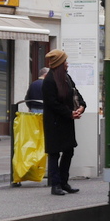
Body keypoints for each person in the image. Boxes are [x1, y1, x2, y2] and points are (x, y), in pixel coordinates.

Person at [42, 49, 86, 195]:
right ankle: (55, 185)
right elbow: (52, 103)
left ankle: (64, 182)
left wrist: (81, 106)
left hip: (66, 122)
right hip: (54, 123)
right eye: (65, 61)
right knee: (54, 154)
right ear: (59, 64)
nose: (67, 64)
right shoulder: (49, 81)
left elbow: (75, 93)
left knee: (69, 151)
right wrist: (69, 113)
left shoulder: (66, 77)